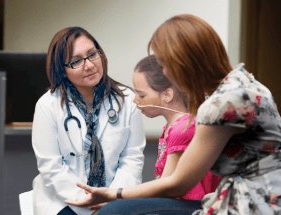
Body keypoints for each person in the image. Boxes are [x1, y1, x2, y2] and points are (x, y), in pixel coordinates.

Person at [65, 14, 281, 215]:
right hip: (262, 198)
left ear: (183, 63)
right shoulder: (243, 81)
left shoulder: (223, 104)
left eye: (164, 65)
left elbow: (178, 182)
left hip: (254, 205)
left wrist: (114, 194)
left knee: (115, 212)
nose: (166, 73)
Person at [31, 27, 146, 215]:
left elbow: (132, 159)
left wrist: (111, 199)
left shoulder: (126, 100)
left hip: (113, 201)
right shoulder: (47, 105)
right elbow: (51, 167)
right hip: (63, 201)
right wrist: (88, 204)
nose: (90, 65)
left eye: (92, 54)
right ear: (62, 69)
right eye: (76, 61)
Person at [133, 55, 220, 200]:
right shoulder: (174, 126)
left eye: (141, 95)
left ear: (167, 95)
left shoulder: (182, 129)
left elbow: (166, 187)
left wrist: (119, 196)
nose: (135, 99)